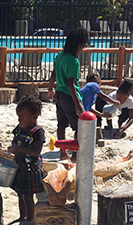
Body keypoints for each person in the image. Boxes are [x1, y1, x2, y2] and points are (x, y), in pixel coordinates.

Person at [47, 26, 89, 162]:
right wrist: (77, 104)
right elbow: (71, 84)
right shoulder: (73, 61)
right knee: (79, 126)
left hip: (58, 93)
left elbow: (53, 74)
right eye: (83, 46)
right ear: (79, 45)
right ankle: (75, 155)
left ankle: (63, 153)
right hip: (69, 96)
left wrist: (49, 89)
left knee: (61, 125)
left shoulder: (60, 55)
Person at [7, 94, 45, 225]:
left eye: (22, 118)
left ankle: (30, 220)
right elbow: (15, 140)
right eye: (18, 117)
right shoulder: (20, 128)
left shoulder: (38, 132)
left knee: (28, 196)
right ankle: (22, 216)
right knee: (20, 193)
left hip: (31, 170)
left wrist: (18, 149)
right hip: (20, 167)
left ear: (34, 117)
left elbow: (36, 152)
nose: (19, 120)